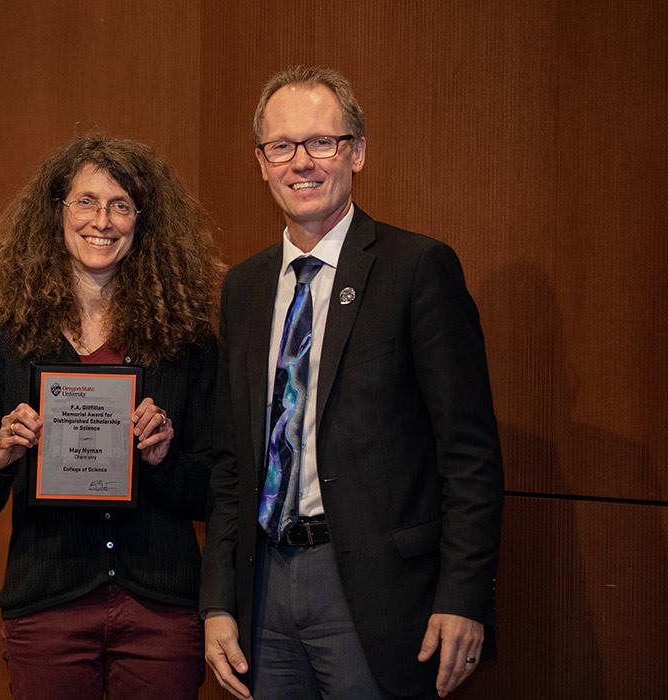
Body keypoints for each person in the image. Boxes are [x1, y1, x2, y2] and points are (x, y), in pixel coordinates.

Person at [200, 66, 504, 699]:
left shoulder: (416, 269)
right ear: (261, 163)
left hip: (379, 595)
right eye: (281, 146)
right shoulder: (245, 288)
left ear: (357, 152)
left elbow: (468, 454)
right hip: (265, 591)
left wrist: (464, 596)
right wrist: (219, 601)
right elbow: (232, 462)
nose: (301, 162)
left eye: (322, 142)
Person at [0, 135, 223, 700]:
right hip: (47, 610)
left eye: (121, 205)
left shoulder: (185, 341)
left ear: (144, 221)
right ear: (57, 214)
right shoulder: (6, 340)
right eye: (86, 202)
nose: (103, 220)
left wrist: (164, 459)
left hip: (161, 612)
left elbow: (217, 487)